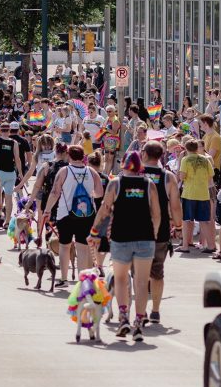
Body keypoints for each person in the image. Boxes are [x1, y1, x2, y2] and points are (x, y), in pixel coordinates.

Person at [90, 151, 160, 342]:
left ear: (124, 165)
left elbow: (104, 209)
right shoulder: (149, 185)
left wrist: (94, 232)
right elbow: (157, 214)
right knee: (141, 282)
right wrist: (153, 234)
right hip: (145, 238)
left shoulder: (116, 183)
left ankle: (123, 318)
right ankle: (138, 323)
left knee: (120, 279)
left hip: (121, 238)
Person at [45, 145, 105, 288]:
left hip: (65, 214)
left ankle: (64, 279)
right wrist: (87, 193)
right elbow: (99, 193)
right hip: (87, 214)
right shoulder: (91, 171)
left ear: (69, 155)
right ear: (83, 156)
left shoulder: (64, 171)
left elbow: (55, 192)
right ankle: (82, 282)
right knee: (82, 248)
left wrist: (47, 210)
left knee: (64, 246)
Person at [141, 141, 182, 324]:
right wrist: (179, 227)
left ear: (144, 154)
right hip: (161, 230)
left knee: (140, 273)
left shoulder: (134, 173)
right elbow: (175, 205)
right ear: (161, 155)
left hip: (136, 230)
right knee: (157, 272)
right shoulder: (168, 177)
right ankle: (155, 311)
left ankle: (141, 311)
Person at [177, 139, 216, 253]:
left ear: (186, 148)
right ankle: (211, 245)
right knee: (204, 220)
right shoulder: (205, 159)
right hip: (203, 193)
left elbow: (182, 176)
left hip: (189, 193)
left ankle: (185, 246)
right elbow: (211, 175)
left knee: (186, 220)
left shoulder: (185, 159)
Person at [0, 123, 21, 228]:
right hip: (11, 173)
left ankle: (1, 214)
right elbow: (17, 159)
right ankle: (7, 221)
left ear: (0, 131)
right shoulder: (14, 143)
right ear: (9, 131)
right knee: (9, 198)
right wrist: (20, 173)